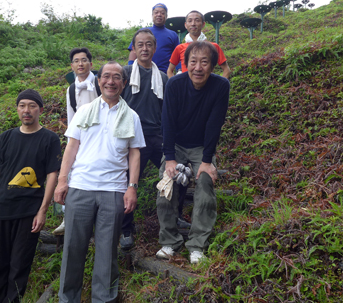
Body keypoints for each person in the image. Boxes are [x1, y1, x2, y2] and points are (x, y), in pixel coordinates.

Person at [55, 61, 145, 303]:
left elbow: (134, 153)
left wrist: (132, 187)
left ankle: (103, 299)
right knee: (73, 249)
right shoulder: (84, 111)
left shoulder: (132, 116)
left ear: (124, 84)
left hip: (113, 191)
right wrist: (62, 181)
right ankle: (68, 299)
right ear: (99, 80)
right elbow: (71, 147)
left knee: (107, 253)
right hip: (80, 187)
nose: (111, 81)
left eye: (117, 77)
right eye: (106, 76)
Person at [0, 89, 61, 303]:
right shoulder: (7, 136)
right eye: (22, 105)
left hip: (28, 212)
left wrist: (42, 211)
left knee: (19, 266)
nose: (27, 110)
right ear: (17, 109)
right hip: (1, 209)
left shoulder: (50, 139)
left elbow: (53, 174)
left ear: (40, 110)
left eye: (32, 106)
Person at [156, 41, 230, 264]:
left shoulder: (220, 86)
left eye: (204, 62)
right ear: (186, 64)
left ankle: (197, 244)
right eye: (193, 62)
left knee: (205, 183)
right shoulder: (175, 84)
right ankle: (170, 241)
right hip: (176, 145)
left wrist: (207, 161)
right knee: (166, 185)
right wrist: (169, 159)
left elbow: (214, 125)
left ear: (213, 65)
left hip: (201, 147)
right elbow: (167, 122)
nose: (198, 67)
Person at [120, 28, 168, 250]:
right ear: (134, 48)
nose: (145, 48)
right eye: (140, 44)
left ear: (155, 48)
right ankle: (125, 227)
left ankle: (172, 218)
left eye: (149, 44)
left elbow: (169, 111)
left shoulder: (164, 78)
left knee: (171, 176)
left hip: (157, 136)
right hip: (130, 138)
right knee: (127, 182)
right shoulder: (125, 74)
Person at [54, 47, 100, 235]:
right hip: (81, 136)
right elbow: (71, 116)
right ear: (71, 66)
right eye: (76, 61)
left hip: (100, 135)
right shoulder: (71, 89)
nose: (80, 64)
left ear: (91, 63)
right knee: (73, 173)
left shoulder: (99, 82)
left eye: (84, 60)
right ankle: (68, 218)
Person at [167, 10, 231, 79]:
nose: (193, 24)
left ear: (203, 24)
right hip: (186, 89)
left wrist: (219, 88)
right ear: (186, 25)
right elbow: (170, 70)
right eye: (190, 21)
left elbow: (226, 70)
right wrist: (175, 87)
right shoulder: (179, 48)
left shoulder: (213, 47)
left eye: (197, 20)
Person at [127, 3, 179, 74]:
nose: (159, 15)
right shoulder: (142, 32)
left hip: (164, 74)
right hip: (142, 72)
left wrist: (180, 70)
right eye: (156, 12)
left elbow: (178, 55)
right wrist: (130, 67)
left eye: (162, 13)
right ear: (152, 15)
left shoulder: (173, 35)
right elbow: (133, 51)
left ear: (166, 16)